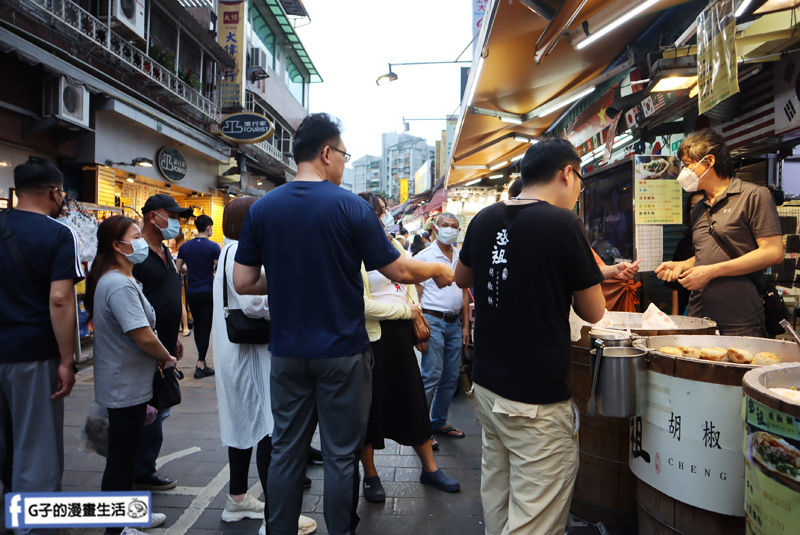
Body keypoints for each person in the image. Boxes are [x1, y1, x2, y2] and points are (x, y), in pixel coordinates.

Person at [233, 113, 454, 535]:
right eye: (343, 155)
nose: (342, 163)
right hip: (344, 354)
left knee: (286, 451)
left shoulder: (263, 208)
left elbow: (244, 282)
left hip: (288, 353)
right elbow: (399, 270)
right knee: (339, 455)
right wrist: (438, 271)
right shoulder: (351, 206)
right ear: (326, 152)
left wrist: (287, 277)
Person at [454, 138, 605, 535]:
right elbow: (594, 311)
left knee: (499, 492)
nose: (578, 192)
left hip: (488, 387)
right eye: (580, 181)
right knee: (535, 515)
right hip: (535, 399)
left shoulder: (484, 218)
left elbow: (461, 277)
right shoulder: (564, 223)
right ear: (567, 173)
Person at [212, 197, 317, 535]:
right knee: (269, 431)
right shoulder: (240, 253)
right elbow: (253, 303)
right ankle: (276, 518)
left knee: (244, 427)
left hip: (237, 353)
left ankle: (237, 500)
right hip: (251, 357)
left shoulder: (228, 251)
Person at [357, 192, 459, 504]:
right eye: (380, 212)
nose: (385, 217)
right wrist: (405, 311)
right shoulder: (352, 250)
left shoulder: (393, 245)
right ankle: (371, 475)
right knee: (369, 409)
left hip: (401, 337)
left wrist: (415, 314)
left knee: (413, 400)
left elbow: (410, 281)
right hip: (372, 339)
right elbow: (359, 305)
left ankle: (430, 469)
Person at [0, 158, 84, 534]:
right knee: (35, 443)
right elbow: (61, 300)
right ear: (54, 192)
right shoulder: (58, 234)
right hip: (31, 353)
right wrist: (67, 360)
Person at [85, 215, 178, 534]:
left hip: (129, 384)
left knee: (129, 454)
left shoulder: (123, 279)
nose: (142, 243)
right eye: (135, 237)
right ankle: (116, 528)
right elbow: (142, 335)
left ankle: (131, 514)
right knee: (121, 460)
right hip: (123, 386)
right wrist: (166, 357)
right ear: (117, 245)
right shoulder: (118, 284)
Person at [656, 129, 784, 336]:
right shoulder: (699, 208)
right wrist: (682, 265)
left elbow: (773, 252)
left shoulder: (754, 196)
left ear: (709, 161)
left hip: (741, 320)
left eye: (688, 164)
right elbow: (706, 255)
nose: (684, 171)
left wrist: (710, 272)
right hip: (699, 318)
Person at [132, 193, 192, 492]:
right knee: (148, 409)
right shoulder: (136, 253)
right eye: (173, 215)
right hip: (145, 346)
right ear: (153, 217)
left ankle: (143, 465)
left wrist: (175, 336)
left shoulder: (165, 251)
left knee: (160, 407)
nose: (177, 222)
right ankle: (139, 469)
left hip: (164, 344)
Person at [413, 213, 470, 440]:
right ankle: (420, 429)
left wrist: (465, 327)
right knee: (431, 376)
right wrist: (419, 328)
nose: (450, 229)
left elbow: (464, 291)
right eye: (445, 225)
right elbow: (415, 294)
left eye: (454, 226)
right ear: (436, 229)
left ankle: (438, 422)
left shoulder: (460, 256)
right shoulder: (424, 257)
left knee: (451, 377)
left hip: (454, 323)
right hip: (433, 321)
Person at [177, 214, 220, 378]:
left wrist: (191, 270)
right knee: (206, 326)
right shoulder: (214, 247)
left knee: (197, 325)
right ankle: (201, 364)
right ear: (208, 228)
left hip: (192, 291)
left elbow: (178, 268)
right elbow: (218, 267)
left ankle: (201, 361)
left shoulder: (185, 246)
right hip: (208, 290)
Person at [667, 192, 705, 315]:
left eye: (702, 205)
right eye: (693, 207)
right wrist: (675, 316)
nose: (697, 210)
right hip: (689, 307)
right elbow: (676, 285)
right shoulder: (685, 243)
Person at [170, 232, 191, 337]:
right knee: (177, 302)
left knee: (179, 302)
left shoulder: (179, 252)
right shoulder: (173, 251)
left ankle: (185, 326)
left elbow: (183, 267)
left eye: (172, 239)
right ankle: (180, 326)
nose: (170, 241)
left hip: (180, 279)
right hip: (175, 279)